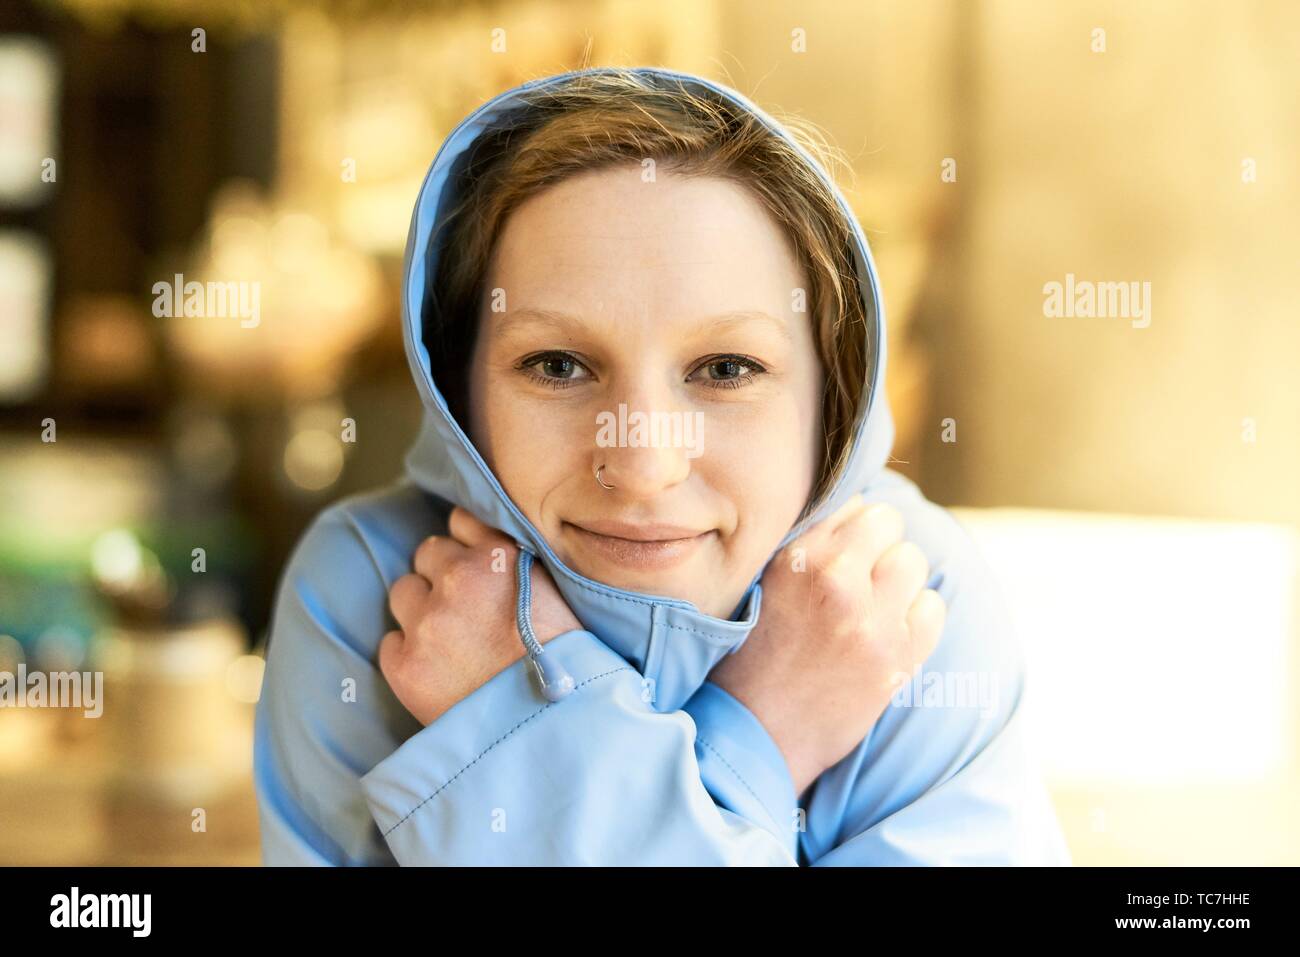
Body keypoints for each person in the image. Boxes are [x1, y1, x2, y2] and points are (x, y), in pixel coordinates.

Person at [253, 66, 1072, 866]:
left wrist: (519, 732)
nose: (643, 462)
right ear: (457, 384)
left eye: (725, 369)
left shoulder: (905, 596)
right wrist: (759, 740)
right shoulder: (365, 592)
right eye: (558, 365)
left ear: (835, 388)